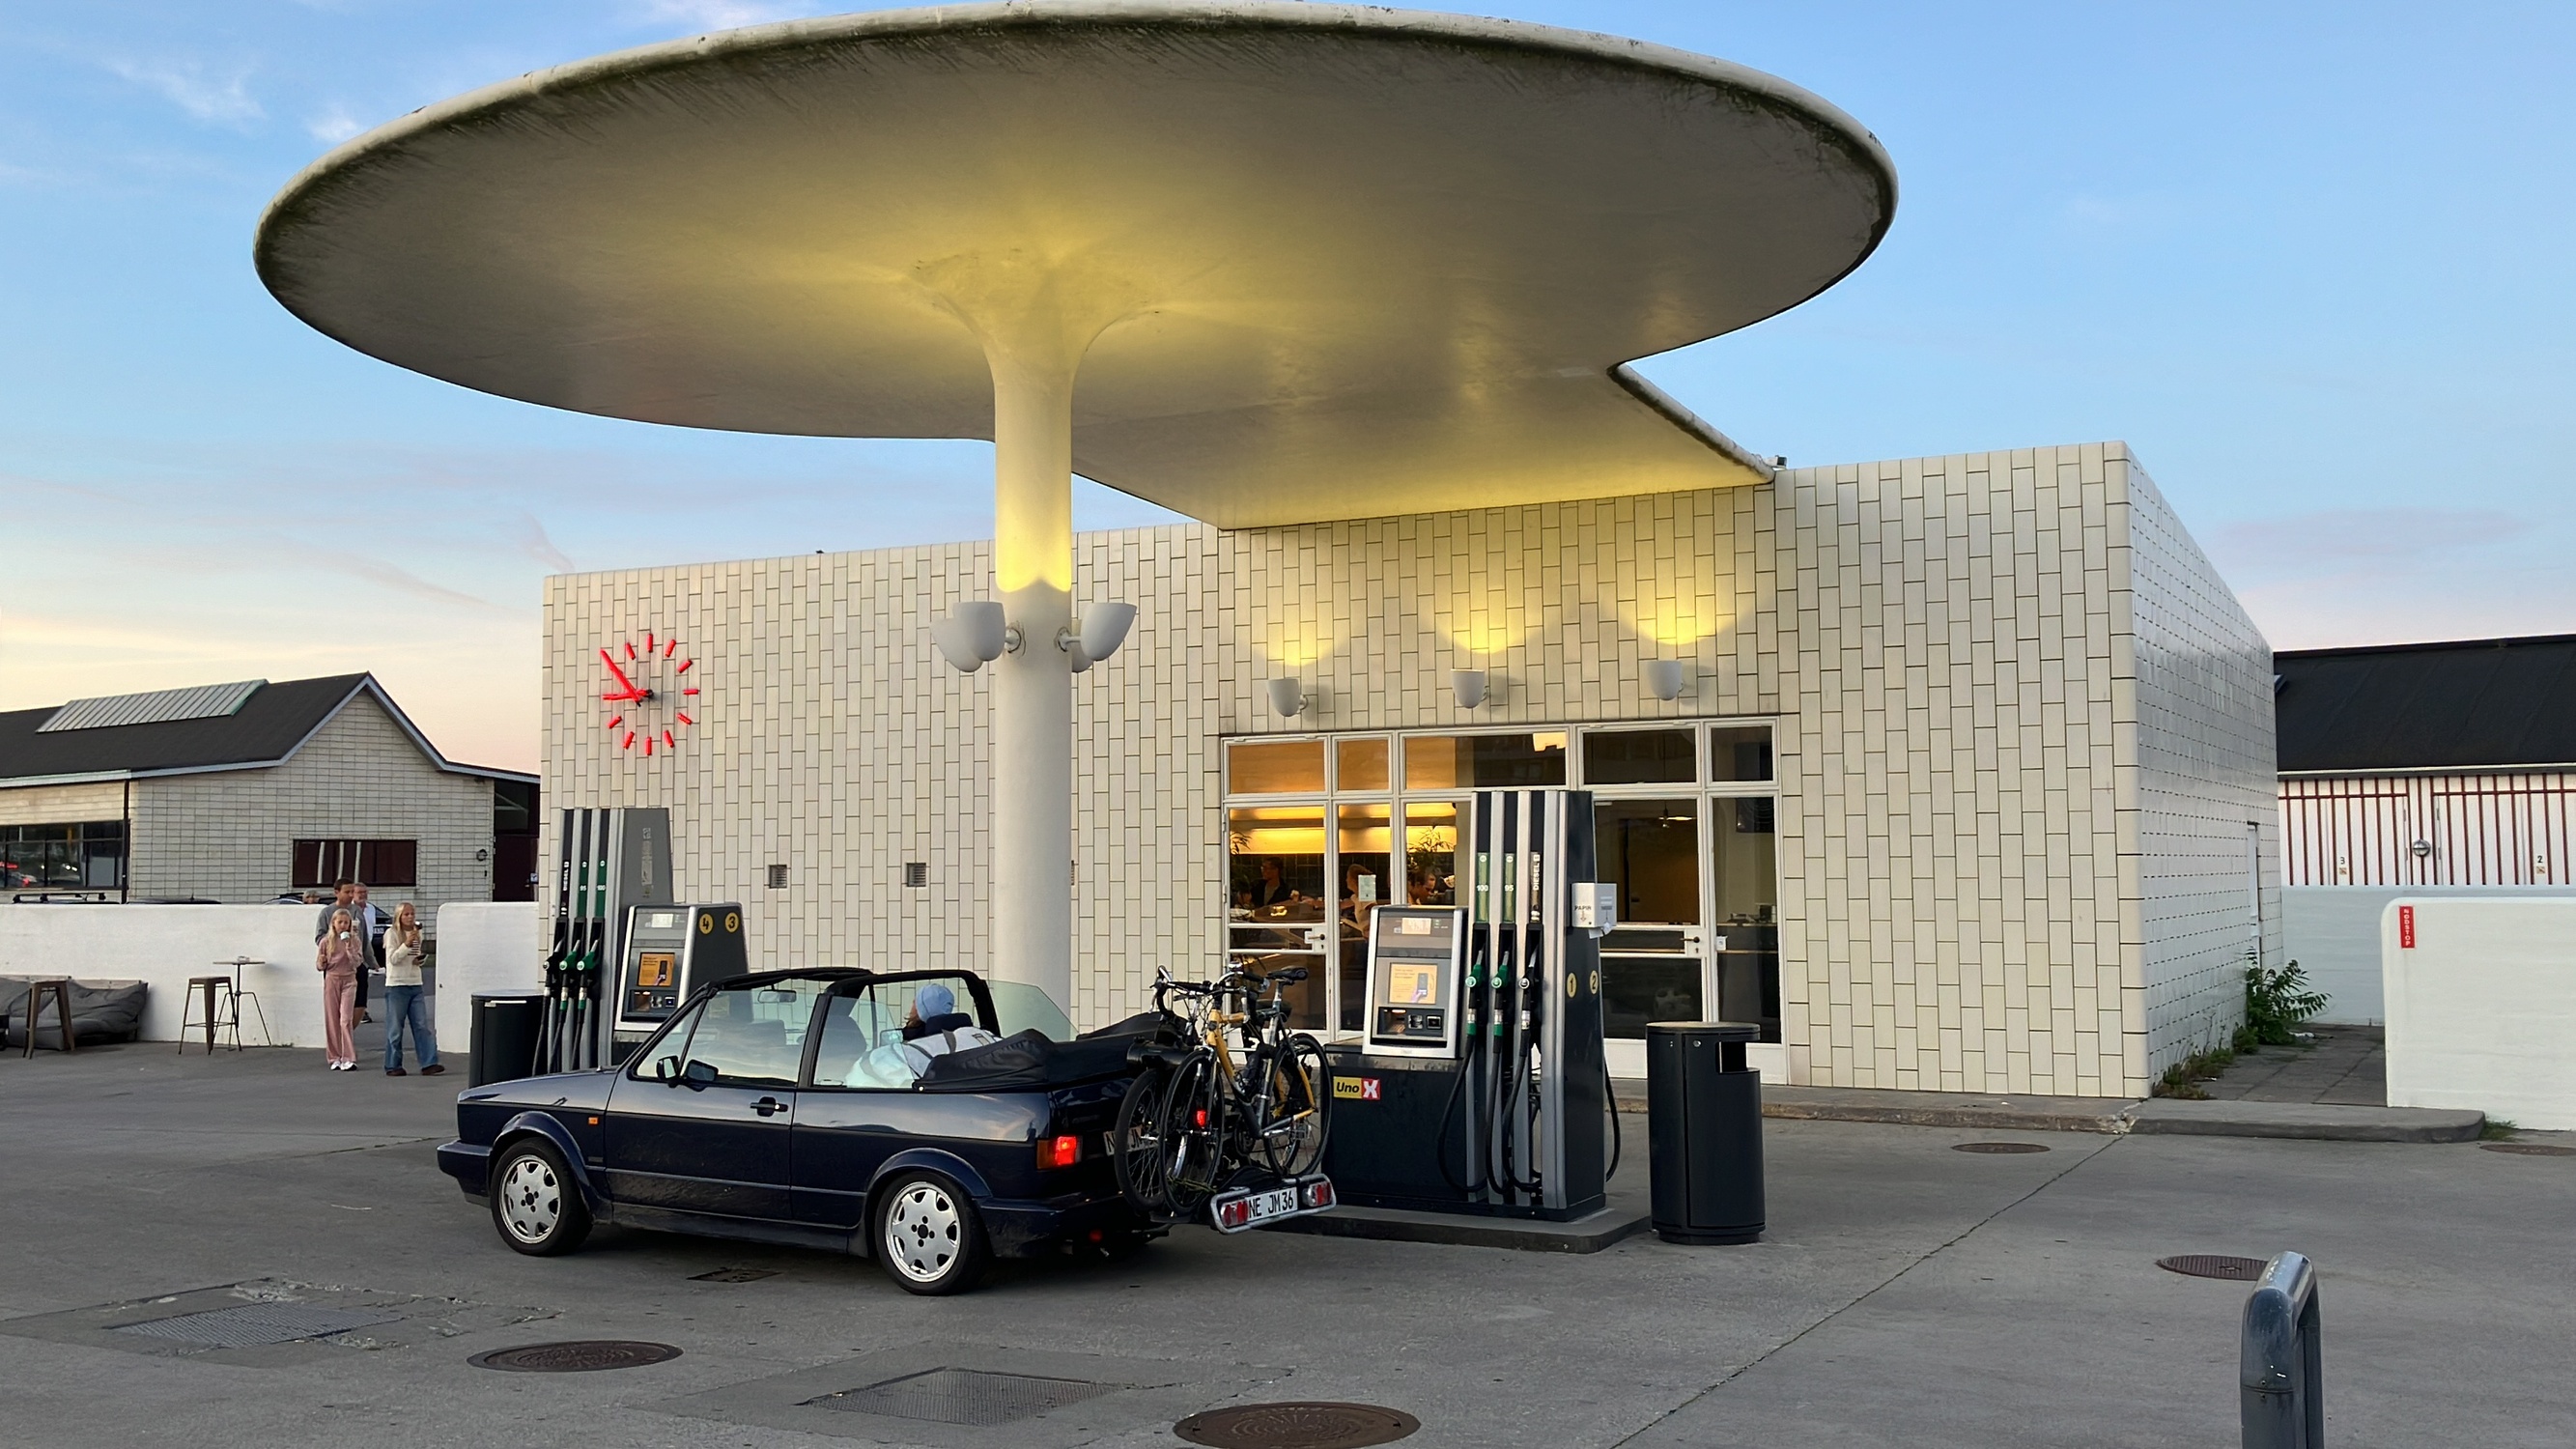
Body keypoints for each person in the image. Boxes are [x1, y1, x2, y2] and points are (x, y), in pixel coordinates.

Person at [381, 901, 443, 1077]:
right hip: (397, 984)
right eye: (406, 914)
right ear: (399, 916)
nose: (410, 917)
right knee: (395, 1028)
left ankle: (429, 1062)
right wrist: (406, 944)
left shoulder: (417, 933)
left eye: (412, 914)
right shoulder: (391, 933)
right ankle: (393, 1065)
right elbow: (393, 959)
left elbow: (414, 956)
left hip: (415, 982)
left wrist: (419, 959)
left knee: (422, 1025)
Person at [315, 907, 362, 1069]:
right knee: (332, 1019)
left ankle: (348, 1057)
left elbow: (357, 962)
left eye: (346, 922)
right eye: (340, 922)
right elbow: (320, 966)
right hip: (332, 979)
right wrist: (322, 961)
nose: (343, 925)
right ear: (333, 924)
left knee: (345, 1019)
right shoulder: (326, 942)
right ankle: (334, 1057)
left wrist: (349, 946)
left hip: (349, 980)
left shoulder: (354, 940)